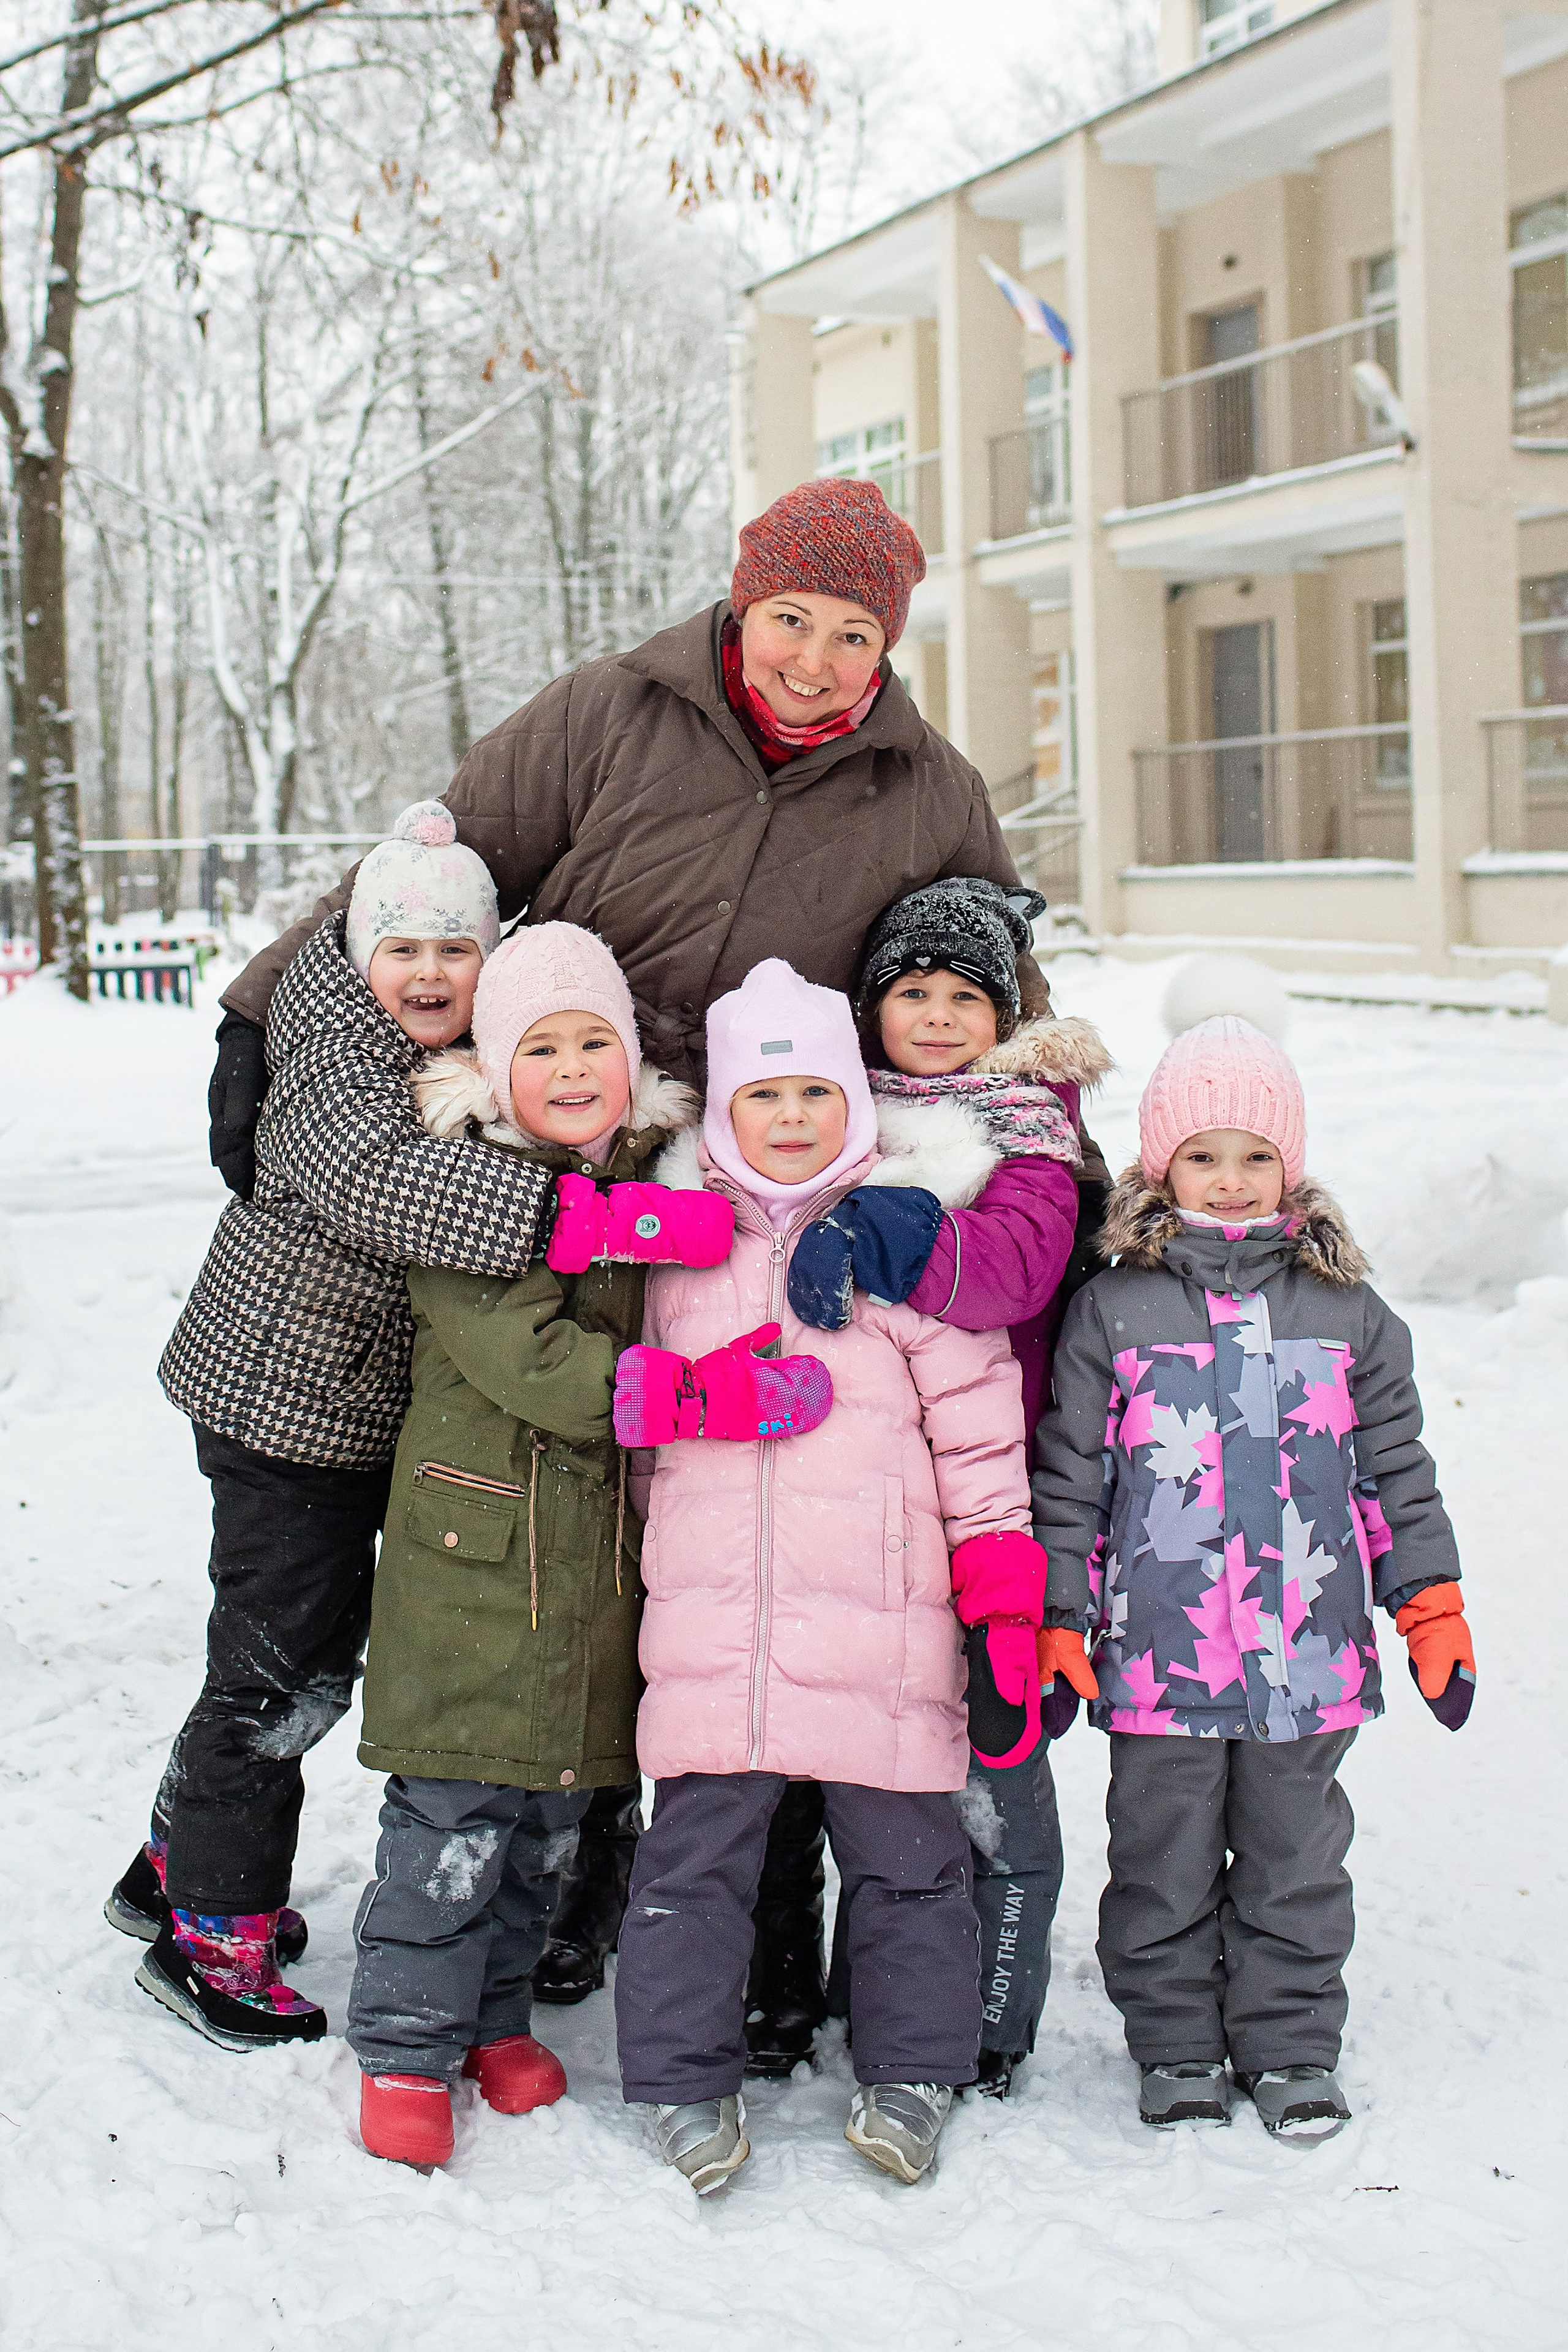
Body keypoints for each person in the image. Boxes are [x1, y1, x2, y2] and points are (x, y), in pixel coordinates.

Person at [205, 475, 1106, 2035]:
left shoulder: (926, 783)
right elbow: (438, 867)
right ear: (737, 602)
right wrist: (255, 1009)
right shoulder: (610, 711)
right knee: (591, 1507)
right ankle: (543, 1868)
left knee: (709, 1525)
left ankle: (656, 1891)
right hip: (585, 1143)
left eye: (849, 634)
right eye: (787, 620)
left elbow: (991, 988)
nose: (813, 661)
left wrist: (1054, 1175)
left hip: (767, 1186)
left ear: (885, 645)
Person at [108, 809, 703, 2052]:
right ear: (354, 952)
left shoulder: (437, 1045)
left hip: (349, 1404)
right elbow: (378, 1183)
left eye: (456, 949)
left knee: (304, 1653)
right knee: (282, 1672)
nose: (429, 975)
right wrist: (590, 1220)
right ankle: (211, 1931)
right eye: (403, 951)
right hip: (283, 1407)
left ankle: (173, 1861)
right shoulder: (332, 1048)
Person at [610, 959, 1046, 2192]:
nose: (791, 1116)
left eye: (815, 1089)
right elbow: (644, 1444)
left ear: (852, 1102)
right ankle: (685, 2083)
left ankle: (911, 2072)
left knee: (910, 1863)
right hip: (716, 1627)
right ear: (721, 1113)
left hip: (884, 1624)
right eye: (765, 1094)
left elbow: (977, 1438)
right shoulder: (676, 1252)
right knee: (689, 1867)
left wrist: (996, 1586)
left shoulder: (899, 1240)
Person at [1032, 1013, 1476, 2140]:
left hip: (1310, 1654)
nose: (1230, 1182)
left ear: (1293, 1164)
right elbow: (1072, 1479)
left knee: (1297, 1861)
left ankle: (1288, 2044)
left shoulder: (1346, 1313)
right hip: (1161, 1657)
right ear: (1158, 1164)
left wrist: (1427, 1601)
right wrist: (1058, 1618)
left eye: (1255, 1156)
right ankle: (1176, 2042)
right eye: (1202, 1155)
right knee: (1161, 1861)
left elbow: (1393, 1472)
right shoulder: (1114, 1308)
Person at [345, 922, 729, 2168]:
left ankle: (494, 2019)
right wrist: (677, 1388)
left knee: (545, 1829)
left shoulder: (643, 1179)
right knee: (452, 1821)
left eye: (593, 1044)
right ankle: (406, 2045)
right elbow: (533, 1358)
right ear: (496, 1071)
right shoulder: (462, 1184)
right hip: (474, 1567)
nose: (571, 1071)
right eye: (542, 1048)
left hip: (587, 1575)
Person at [780, 874, 1112, 2095]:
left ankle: (987, 2017)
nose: (930, 1015)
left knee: (994, 1757)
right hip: (859, 1496)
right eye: (906, 992)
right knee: (874, 1771)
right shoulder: (837, 1115)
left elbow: (1020, 1269)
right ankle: (867, 1994)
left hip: (993, 1498)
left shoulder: (1028, 1128)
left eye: (960, 995)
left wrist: (896, 1234)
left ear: (1004, 1008)